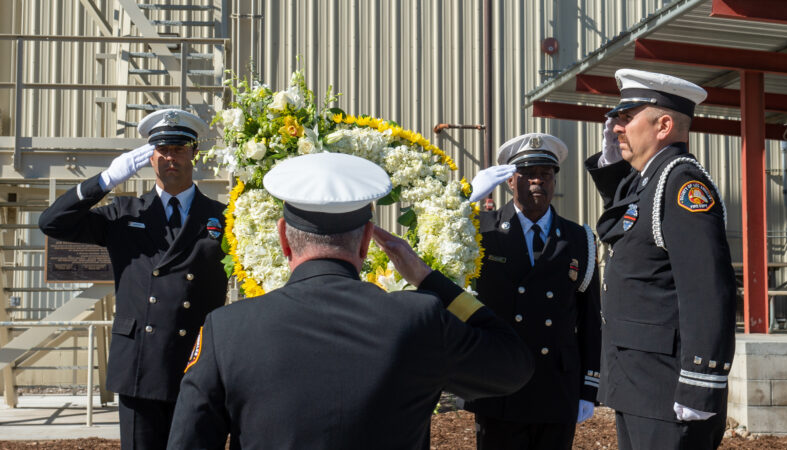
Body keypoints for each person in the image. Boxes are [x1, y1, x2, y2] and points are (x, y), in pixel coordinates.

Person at [166, 152, 535, 449]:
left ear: (283, 239)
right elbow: (514, 365)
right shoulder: (418, 318)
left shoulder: (228, 329)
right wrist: (428, 279)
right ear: (365, 242)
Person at [38, 109, 229, 450]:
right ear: (149, 157)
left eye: (180, 148)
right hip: (141, 363)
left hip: (196, 363)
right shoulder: (124, 213)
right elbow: (52, 222)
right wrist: (105, 181)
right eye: (163, 150)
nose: (171, 157)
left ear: (195, 153)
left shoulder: (221, 217)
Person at [584, 68, 736, 449]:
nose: (617, 127)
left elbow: (708, 290)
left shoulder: (683, 185)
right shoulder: (651, 181)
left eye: (626, 117)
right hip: (639, 386)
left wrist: (702, 383)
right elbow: (619, 220)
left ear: (664, 125)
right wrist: (612, 164)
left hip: (666, 390)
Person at [466, 133, 602, 449]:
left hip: (556, 387)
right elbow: (435, 247)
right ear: (510, 181)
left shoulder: (578, 238)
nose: (537, 181)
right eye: (527, 174)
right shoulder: (480, 230)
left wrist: (589, 387)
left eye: (545, 174)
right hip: (499, 385)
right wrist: (466, 200)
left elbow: (589, 319)